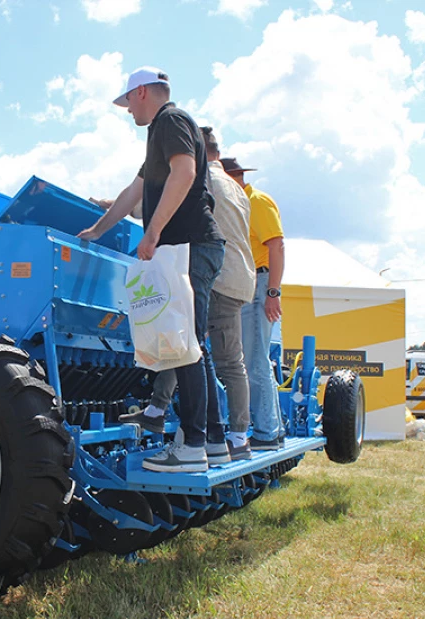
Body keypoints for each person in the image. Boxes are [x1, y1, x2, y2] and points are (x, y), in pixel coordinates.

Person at [77, 66, 225, 473]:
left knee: (185, 345)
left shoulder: (170, 121)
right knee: (192, 345)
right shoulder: (161, 131)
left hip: (189, 245)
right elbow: (134, 191)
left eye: (128, 101)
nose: (128, 110)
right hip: (195, 246)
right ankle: (213, 441)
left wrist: (153, 232)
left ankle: (192, 446)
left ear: (141, 92)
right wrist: (97, 229)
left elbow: (185, 172)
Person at [119, 126, 256, 462]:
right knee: (201, 349)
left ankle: (217, 435)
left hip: (214, 275)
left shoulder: (204, 179)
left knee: (195, 347)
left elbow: (157, 204)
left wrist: (114, 207)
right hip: (238, 276)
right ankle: (221, 434)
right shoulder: (238, 189)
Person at [222, 157, 286, 452]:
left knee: (254, 360)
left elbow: (277, 245)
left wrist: (272, 291)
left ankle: (266, 432)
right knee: (256, 359)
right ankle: (273, 429)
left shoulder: (256, 202)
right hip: (253, 282)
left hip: (259, 283)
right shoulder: (241, 204)